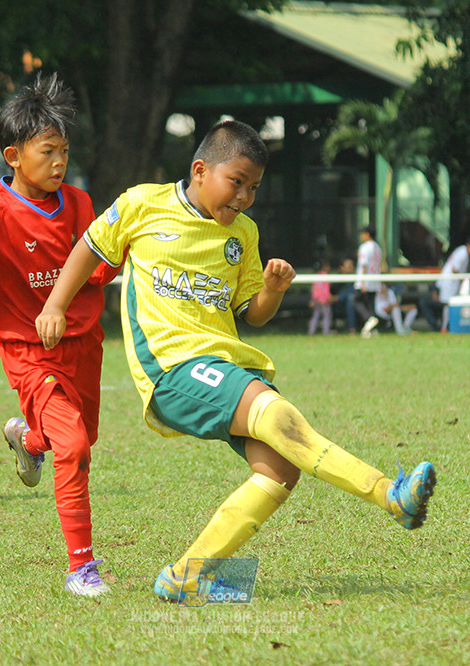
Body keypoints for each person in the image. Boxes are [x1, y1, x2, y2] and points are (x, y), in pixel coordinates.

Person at [36, 119, 437, 604]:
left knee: (281, 468)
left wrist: (272, 289)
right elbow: (88, 248)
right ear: (200, 170)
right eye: (237, 182)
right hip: (172, 368)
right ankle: (390, 495)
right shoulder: (143, 203)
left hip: (225, 366)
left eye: (254, 188)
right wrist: (55, 305)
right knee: (278, 414)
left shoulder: (243, 233)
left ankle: (185, 577)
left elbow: (253, 313)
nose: (245, 196)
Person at [0, 73, 118, 597]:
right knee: (74, 447)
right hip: (28, 351)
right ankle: (81, 568)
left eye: (64, 151)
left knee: (81, 438)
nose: (59, 161)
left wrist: (121, 253)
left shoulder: (79, 203)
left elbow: (98, 271)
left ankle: (25, 439)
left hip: (84, 343)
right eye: (47, 151)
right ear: (14, 156)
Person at [424, 237, 470, 332]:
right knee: (448, 304)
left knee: (449, 304)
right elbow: (455, 269)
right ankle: (444, 327)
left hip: (451, 281)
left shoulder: (463, 251)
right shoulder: (462, 253)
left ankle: (446, 326)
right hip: (449, 282)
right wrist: (463, 278)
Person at [353, 226, 382, 333]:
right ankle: (373, 330)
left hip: (366, 280)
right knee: (370, 304)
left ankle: (369, 319)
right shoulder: (377, 247)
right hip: (375, 279)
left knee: (356, 300)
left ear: (367, 234)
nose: (361, 236)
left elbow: (364, 264)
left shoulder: (364, 247)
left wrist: (363, 282)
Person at [307, 263, 334, 335]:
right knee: (327, 316)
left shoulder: (317, 276)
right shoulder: (325, 276)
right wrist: (328, 297)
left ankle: (311, 331)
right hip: (324, 300)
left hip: (316, 299)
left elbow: (314, 289)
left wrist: (313, 299)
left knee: (315, 316)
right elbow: (326, 288)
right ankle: (326, 331)